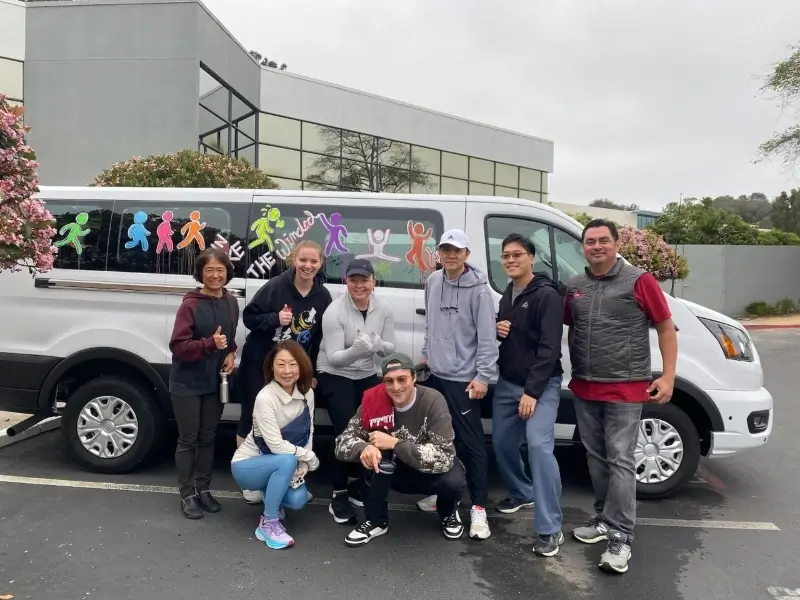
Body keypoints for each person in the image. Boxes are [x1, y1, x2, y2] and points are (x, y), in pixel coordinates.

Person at [565, 219, 677, 574]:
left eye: (603, 240)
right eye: (590, 241)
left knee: (621, 460)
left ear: (616, 244)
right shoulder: (576, 285)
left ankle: (621, 536)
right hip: (585, 385)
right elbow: (561, 322)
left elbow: (666, 328)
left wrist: (668, 376)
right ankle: (602, 519)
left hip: (626, 388)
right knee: (596, 459)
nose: (596, 246)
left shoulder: (640, 280)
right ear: (583, 247)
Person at [334, 353, 467, 546]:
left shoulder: (433, 400)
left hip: (430, 472)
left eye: (402, 379)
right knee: (373, 454)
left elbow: (444, 456)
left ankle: (447, 512)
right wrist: (363, 448)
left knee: (453, 481)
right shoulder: (373, 401)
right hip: (396, 471)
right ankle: (375, 520)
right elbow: (341, 443)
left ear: (414, 378)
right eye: (389, 381)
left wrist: (395, 443)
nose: (396, 387)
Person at [417, 229, 498, 540]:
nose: (451, 255)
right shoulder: (433, 281)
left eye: (457, 250)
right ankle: (442, 495)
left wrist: (482, 377)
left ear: (467, 255)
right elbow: (431, 324)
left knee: (473, 444)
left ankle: (478, 509)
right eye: (446, 250)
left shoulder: (479, 290)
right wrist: (427, 355)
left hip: (464, 380)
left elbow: (487, 339)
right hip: (436, 376)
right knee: (439, 441)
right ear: (439, 253)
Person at [237, 240, 332, 504]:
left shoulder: (322, 296)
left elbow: (317, 338)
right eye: (303, 260)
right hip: (260, 363)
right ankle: (250, 482)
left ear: (320, 263)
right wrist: (274, 319)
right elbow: (249, 318)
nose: (308, 265)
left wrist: (310, 371)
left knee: (294, 423)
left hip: (292, 368)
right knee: (251, 416)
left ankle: (292, 476)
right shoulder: (276, 286)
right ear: (293, 259)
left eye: (313, 261)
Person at [493, 233, 566, 556]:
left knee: (538, 445)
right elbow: (512, 331)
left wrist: (532, 392)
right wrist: (499, 327)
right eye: (506, 255)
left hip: (541, 385)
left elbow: (550, 347)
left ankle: (550, 528)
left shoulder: (547, 296)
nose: (510, 260)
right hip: (508, 383)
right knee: (502, 443)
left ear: (531, 258)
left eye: (517, 254)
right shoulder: (509, 292)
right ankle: (523, 492)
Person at [316, 258, 396, 524]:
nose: (359, 285)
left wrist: (378, 346)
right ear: (346, 282)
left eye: (364, 280)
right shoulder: (334, 311)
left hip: (365, 373)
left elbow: (389, 346)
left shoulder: (383, 308)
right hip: (335, 374)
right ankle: (338, 493)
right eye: (354, 280)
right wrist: (358, 350)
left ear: (374, 282)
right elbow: (335, 357)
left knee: (372, 427)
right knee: (345, 430)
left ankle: (360, 484)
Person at [168, 248, 239, 519]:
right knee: (188, 438)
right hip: (187, 382)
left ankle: (204, 489)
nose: (215, 275)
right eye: (209, 270)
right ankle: (187, 494)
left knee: (209, 437)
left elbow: (229, 338)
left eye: (220, 270)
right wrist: (210, 344)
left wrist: (230, 353)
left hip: (214, 381)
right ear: (200, 273)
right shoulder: (191, 304)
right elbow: (178, 346)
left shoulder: (231, 302)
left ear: (227, 273)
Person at [230, 340, 320, 550]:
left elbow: (309, 431)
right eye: (280, 364)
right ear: (272, 367)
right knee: (286, 459)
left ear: (302, 366)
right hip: (247, 466)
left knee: (298, 500)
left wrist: (304, 466)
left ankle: (269, 491)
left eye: (292, 364)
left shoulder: (307, 394)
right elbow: (276, 446)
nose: (287, 371)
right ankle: (268, 523)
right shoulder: (265, 398)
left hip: (280, 462)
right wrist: (308, 457)